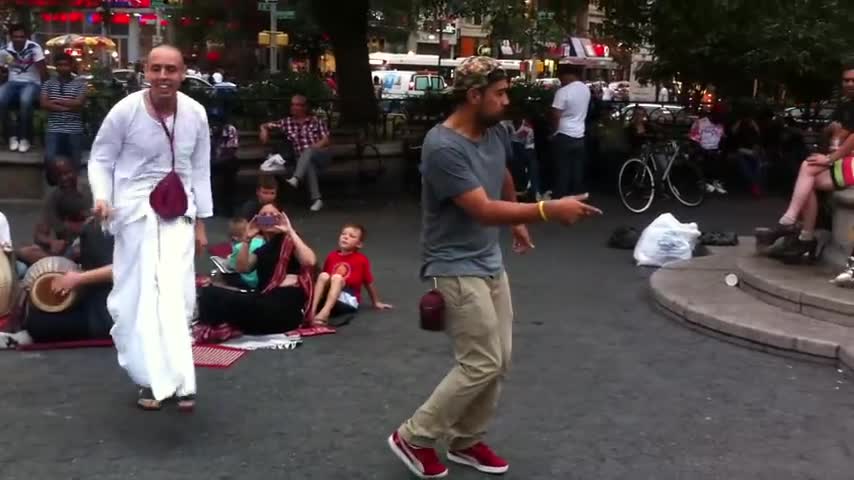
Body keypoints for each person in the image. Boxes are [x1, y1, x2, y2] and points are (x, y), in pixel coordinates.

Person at [386, 56, 601, 479]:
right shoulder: (442, 146)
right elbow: (482, 210)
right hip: (453, 262)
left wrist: (519, 220)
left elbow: (502, 172)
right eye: (499, 94)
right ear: (473, 96)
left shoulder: (495, 130)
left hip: (487, 259)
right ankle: (414, 436)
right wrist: (545, 209)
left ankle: (465, 440)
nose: (506, 102)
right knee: (480, 360)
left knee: (499, 359)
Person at [88, 45, 212, 412]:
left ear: (183, 73)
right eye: (156, 68)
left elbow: (201, 169)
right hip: (134, 212)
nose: (163, 76)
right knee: (141, 298)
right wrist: (102, 196)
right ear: (145, 71)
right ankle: (149, 381)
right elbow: (101, 158)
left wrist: (202, 224)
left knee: (177, 296)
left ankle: (182, 381)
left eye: (170, 69)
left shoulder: (196, 113)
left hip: (180, 212)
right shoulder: (124, 111)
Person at [755, 62, 854, 263]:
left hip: (848, 161)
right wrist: (832, 135)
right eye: (846, 80)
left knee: (807, 170)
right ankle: (800, 231)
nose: (850, 83)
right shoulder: (845, 106)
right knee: (808, 175)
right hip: (845, 160)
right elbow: (831, 133)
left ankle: (794, 225)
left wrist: (829, 157)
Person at [195, 203, 318, 340]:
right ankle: (220, 327)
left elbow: (310, 261)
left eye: (273, 215)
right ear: (258, 221)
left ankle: (218, 327)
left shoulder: (290, 241)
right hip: (264, 302)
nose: (268, 218)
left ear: (282, 218)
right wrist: (247, 239)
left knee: (222, 298)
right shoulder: (262, 250)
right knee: (209, 292)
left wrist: (289, 230)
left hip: (284, 308)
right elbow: (242, 268)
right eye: (263, 216)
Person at [24, 192, 115, 343]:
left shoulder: (98, 231)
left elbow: (121, 269)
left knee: (37, 324)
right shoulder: (91, 232)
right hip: (95, 304)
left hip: (108, 315)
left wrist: (78, 278)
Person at [259, 94, 331, 212]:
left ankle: (295, 179)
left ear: (305, 107)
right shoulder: (286, 122)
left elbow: (326, 140)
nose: (294, 107)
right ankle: (317, 199)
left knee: (308, 152)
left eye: (297, 105)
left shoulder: (316, 121)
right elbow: (265, 133)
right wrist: (263, 128)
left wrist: (312, 149)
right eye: (292, 104)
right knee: (309, 166)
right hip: (302, 160)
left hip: (321, 155)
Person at [309, 223, 392, 325]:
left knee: (337, 278)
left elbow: (368, 282)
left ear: (359, 244)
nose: (346, 237)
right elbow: (324, 281)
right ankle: (311, 311)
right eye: (343, 234)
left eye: (351, 236)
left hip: (348, 300)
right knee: (323, 276)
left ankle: (325, 313)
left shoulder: (361, 260)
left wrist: (376, 302)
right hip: (329, 296)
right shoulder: (331, 256)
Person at [16, 158, 92, 267]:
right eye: (59, 176)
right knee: (24, 251)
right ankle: (58, 264)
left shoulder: (89, 192)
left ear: (75, 171)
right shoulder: (54, 198)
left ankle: (58, 265)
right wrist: (51, 242)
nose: (64, 178)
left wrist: (78, 227)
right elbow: (39, 234)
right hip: (65, 252)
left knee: (78, 251)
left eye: (68, 173)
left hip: (87, 249)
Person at [0, 24, 47, 153]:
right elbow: (2, 70)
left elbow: (43, 70)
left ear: (26, 37)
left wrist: (45, 89)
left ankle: (25, 137)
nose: (19, 39)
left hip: (32, 83)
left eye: (22, 37)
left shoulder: (34, 48)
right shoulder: (4, 50)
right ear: (11, 37)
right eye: (15, 37)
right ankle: (11, 136)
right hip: (12, 82)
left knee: (25, 101)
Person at [41, 53, 87, 172]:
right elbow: (44, 103)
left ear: (71, 66)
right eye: (60, 65)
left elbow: (78, 103)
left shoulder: (80, 84)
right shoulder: (49, 84)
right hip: (54, 128)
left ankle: (72, 187)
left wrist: (56, 101)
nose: (63, 68)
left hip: (74, 129)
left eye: (66, 65)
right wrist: (66, 106)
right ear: (56, 67)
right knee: (49, 158)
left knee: (75, 162)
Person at [551, 64, 590, 198]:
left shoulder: (563, 92)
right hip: (580, 134)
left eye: (561, 77)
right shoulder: (585, 90)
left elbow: (556, 115)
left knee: (562, 169)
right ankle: (578, 196)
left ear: (567, 75)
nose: (560, 80)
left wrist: (553, 132)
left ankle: (560, 197)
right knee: (577, 169)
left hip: (563, 134)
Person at [689, 106, 727, 194]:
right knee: (704, 158)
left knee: (718, 157)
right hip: (701, 149)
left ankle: (714, 182)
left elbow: (722, 139)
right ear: (712, 115)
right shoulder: (701, 123)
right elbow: (693, 140)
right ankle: (704, 182)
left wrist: (720, 149)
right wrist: (703, 149)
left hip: (714, 149)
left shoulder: (720, 124)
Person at [210, 115, 239, 216]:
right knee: (214, 175)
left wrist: (217, 161)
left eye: (218, 124)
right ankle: (214, 207)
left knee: (229, 170)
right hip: (211, 161)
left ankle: (228, 207)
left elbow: (231, 150)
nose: (215, 126)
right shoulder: (207, 128)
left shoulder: (230, 129)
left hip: (226, 160)